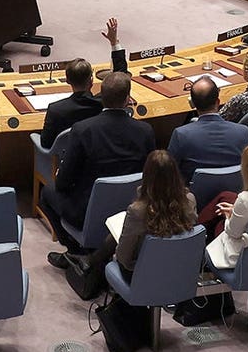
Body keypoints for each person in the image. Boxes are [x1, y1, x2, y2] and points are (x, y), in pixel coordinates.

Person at [42, 72, 154, 262]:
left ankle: (75, 252)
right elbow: (149, 175)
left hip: (86, 211)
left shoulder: (83, 130)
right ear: (128, 99)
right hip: (132, 206)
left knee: (48, 193)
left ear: (100, 94)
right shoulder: (145, 131)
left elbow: (63, 182)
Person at [39, 18, 128, 148]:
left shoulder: (56, 110)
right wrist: (114, 42)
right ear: (91, 81)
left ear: (67, 80)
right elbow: (121, 78)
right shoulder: (104, 102)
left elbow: (45, 143)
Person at [113, 150, 199, 273]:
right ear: (175, 174)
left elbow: (123, 257)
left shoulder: (137, 211)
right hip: (178, 270)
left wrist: (115, 256)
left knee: (112, 243)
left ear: (147, 175)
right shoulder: (190, 201)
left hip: (143, 273)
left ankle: (90, 273)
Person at [167, 77, 248, 181]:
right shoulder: (243, 132)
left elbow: (169, 173)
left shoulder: (181, 135)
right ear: (218, 102)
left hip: (195, 195)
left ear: (192, 104)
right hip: (235, 192)